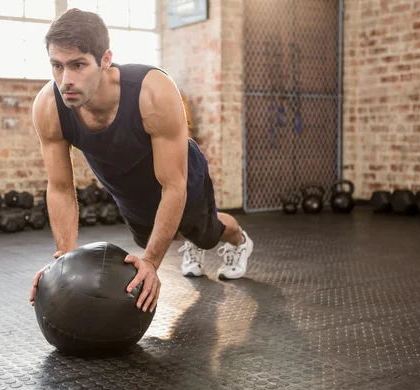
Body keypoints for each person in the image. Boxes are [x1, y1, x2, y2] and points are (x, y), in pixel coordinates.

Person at [28, 9, 254, 314]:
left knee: (204, 234)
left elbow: (174, 185)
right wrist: (65, 261)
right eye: (57, 66)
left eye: (78, 65)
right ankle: (188, 239)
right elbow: (59, 188)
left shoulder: (152, 91)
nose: (65, 80)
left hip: (179, 172)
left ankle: (239, 240)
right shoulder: (48, 106)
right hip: (127, 187)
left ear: (105, 59)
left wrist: (150, 263)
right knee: (159, 236)